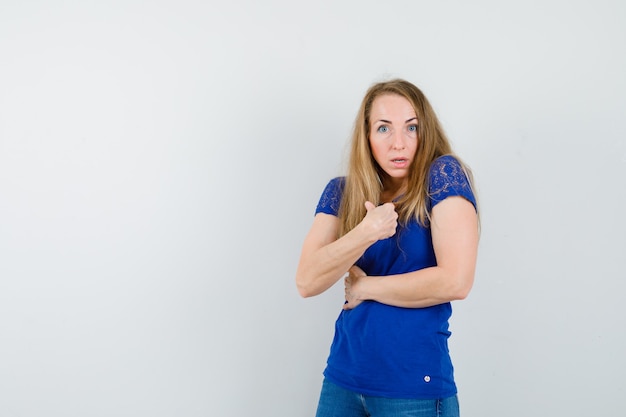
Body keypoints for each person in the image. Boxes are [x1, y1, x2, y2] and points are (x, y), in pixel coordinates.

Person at [295, 79, 479, 417]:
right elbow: (307, 281)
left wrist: (366, 287)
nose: (399, 143)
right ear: (366, 136)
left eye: (412, 127)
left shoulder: (442, 176)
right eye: (383, 128)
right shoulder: (343, 191)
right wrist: (365, 232)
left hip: (413, 387)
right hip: (343, 380)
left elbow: (456, 281)